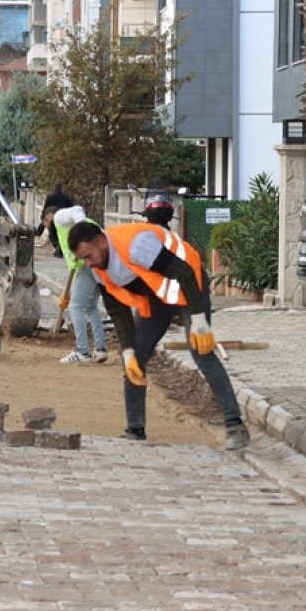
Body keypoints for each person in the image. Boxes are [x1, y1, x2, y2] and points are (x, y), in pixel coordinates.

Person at [67, 220, 250, 451]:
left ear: (101, 242)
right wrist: (128, 351)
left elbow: (183, 272)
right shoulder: (98, 269)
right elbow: (117, 310)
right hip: (157, 295)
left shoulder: (137, 246)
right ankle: (135, 430)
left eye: (89, 255)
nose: (88, 262)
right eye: (83, 259)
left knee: (201, 352)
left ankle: (235, 425)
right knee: (134, 361)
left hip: (189, 283)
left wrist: (199, 321)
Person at [51, 205, 108, 365]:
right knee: (90, 306)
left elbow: (77, 210)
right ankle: (100, 349)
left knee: (76, 306)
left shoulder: (58, 217)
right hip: (97, 264)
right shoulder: (82, 227)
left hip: (87, 265)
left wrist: (81, 234)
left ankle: (82, 350)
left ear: (47, 219)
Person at [36, 185, 74, 257]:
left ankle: (56, 246)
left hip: (52, 217)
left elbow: (46, 207)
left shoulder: (50, 197)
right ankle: (60, 247)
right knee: (62, 233)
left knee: (52, 233)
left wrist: (43, 217)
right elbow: (71, 208)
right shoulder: (66, 197)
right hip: (63, 218)